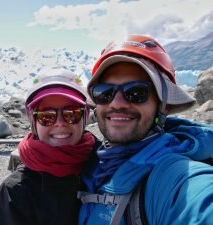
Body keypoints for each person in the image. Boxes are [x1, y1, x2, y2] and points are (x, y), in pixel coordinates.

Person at [78, 35, 213, 225]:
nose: (116, 103)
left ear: (163, 106)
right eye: (104, 92)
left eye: (136, 92)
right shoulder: (90, 166)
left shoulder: (175, 178)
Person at [0, 68, 99, 225]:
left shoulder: (107, 166)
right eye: (46, 116)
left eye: (71, 114)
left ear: (84, 118)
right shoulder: (17, 190)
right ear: (34, 122)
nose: (59, 123)